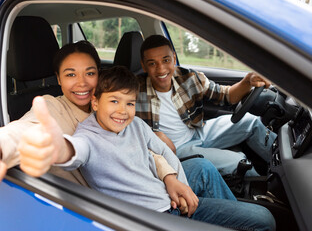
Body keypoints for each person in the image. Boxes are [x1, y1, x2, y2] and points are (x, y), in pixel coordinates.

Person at [0, 41, 234, 206]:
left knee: (202, 167)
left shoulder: (111, 105)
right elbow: (25, 130)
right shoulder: (52, 108)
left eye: (89, 73)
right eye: (70, 75)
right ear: (58, 79)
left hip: (150, 181)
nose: (82, 83)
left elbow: (141, 146)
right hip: (122, 203)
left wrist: (169, 175)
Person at [17, 66, 275, 230]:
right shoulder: (88, 138)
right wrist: (55, 148)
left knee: (204, 168)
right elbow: (74, 151)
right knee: (265, 221)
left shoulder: (136, 124)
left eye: (130, 103)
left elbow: (162, 151)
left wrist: (174, 179)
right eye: (114, 101)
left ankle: (224, 217)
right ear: (95, 103)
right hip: (159, 217)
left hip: (171, 198)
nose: (122, 111)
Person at [136, 35, 278, 176]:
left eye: (166, 60)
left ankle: (283, 166)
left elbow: (226, 95)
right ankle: (265, 194)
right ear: (143, 66)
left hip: (197, 130)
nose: (161, 69)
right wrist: (153, 135)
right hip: (177, 149)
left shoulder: (188, 77)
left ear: (174, 57)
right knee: (239, 161)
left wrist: (247, 81)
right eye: (152, 63)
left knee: (250, 121)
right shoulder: (134, 90)